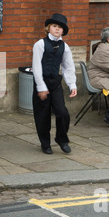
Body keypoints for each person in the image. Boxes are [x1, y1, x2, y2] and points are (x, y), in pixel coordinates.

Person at [32, 13, 77, 155]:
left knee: (62, 113)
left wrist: (72, 84)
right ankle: (45, 144)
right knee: (42, 115)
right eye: (54, 26)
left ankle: (61, 139)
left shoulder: (65, 47)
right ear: (48, 28)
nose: (57, 29)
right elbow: (36, 67)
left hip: (55, 83)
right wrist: (41, 87)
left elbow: (68, 67)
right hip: (42, 82)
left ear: (63, 30)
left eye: (60, 27)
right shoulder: (39, 44)